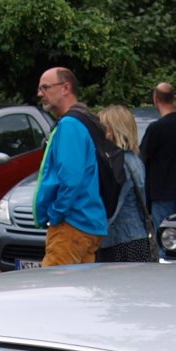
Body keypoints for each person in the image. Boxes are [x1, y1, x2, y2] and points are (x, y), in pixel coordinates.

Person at [33, 67, 106, 266]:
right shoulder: (87, 120)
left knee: (54, 290)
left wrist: (56, 215)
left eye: (46, 88)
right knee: (78, 293)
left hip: (71, 225)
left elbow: (71, 179)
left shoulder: (70, 125)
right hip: (89, 223)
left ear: (66, 88)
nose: (40, 94)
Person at [95, 105, 152, 262]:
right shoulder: (134, 159)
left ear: (114, 130)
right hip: (135, 237)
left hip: (121, 240)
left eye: (103, 129)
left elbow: (111, 208)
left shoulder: (121, 164)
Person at [139, 81, 176, 227]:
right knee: (175, 238)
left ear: (155, 99)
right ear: (173, 98)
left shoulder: (157, 128)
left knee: (162, 239)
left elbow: (142, 157)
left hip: (161, 194)